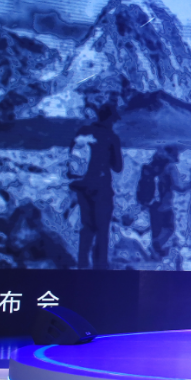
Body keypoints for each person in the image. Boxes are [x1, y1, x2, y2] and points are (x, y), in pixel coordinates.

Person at [69, 102, 123, 269]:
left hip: (82, 187)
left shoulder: (83, 132)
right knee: (102, 228)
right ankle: (100, 266)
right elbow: (118, 167)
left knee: (87, 226)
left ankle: (82, 263)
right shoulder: (111, 136)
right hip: (101, 188)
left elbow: (72, 157)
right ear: (110, 119)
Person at [138, 145, 191, 258]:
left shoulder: (153, 164)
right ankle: (157, 248)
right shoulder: (170, 167)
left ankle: (155, 253)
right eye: (176, 153)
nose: (178, 156)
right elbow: (179, 187)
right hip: (165, 205)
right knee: (169, 228)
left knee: (156, 231)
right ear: (172, 154)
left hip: (152, 204)